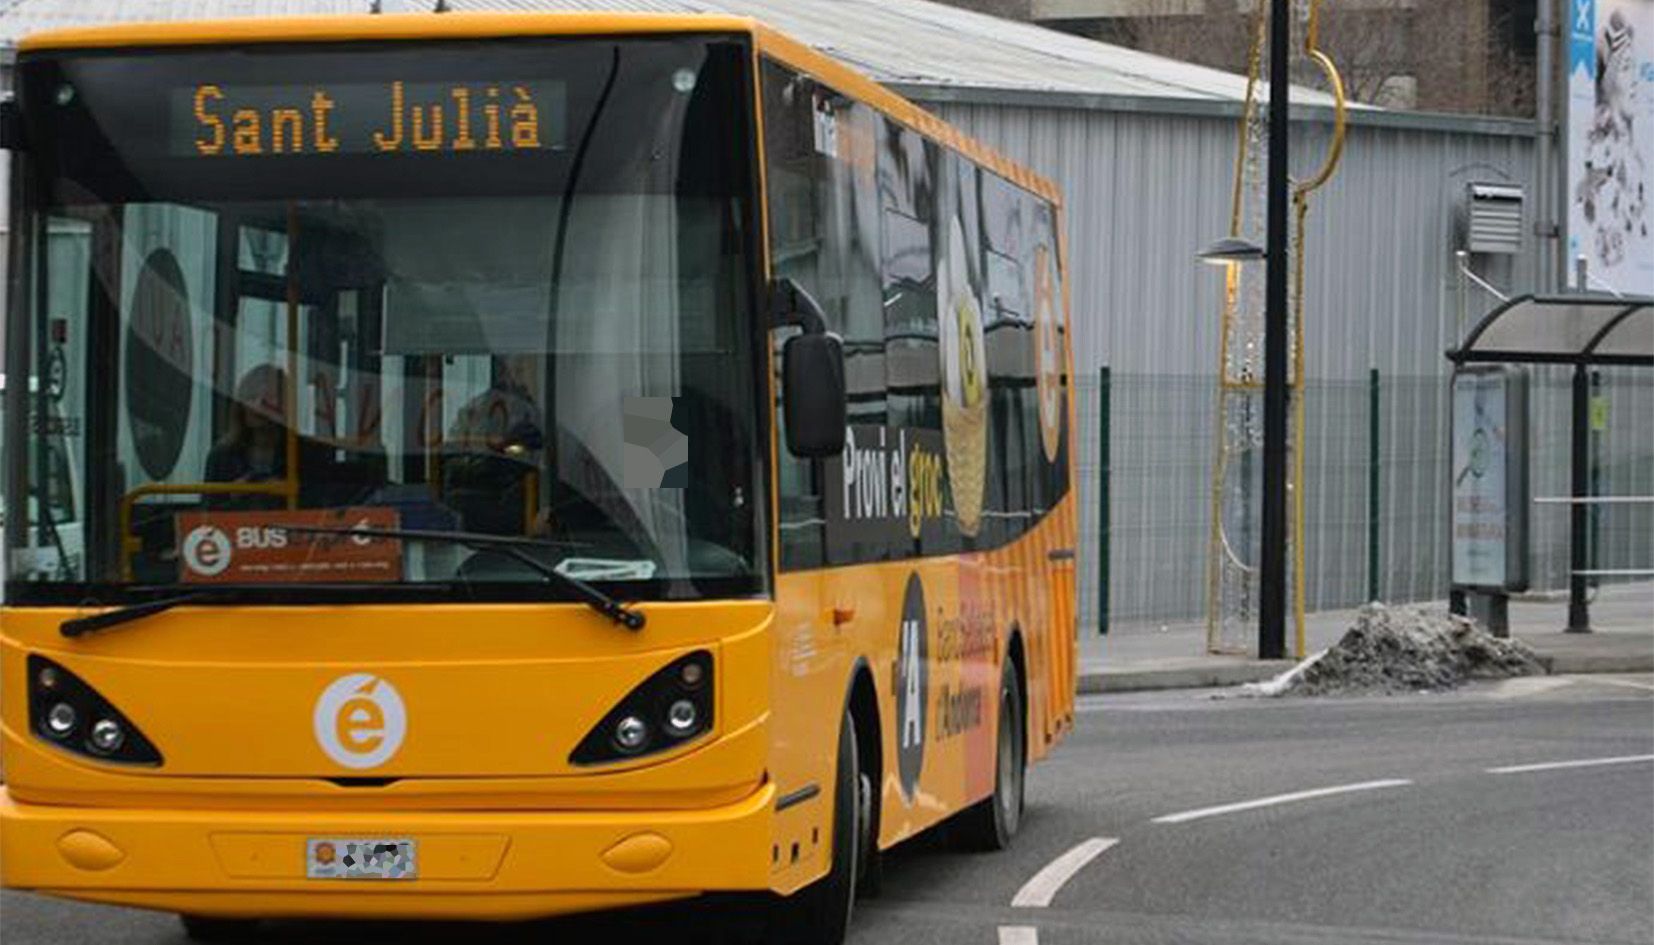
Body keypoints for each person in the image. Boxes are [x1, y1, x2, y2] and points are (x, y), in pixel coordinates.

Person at [206, 364, 292, 488]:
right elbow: (210, 505)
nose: (258, 406)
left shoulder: (306, 455)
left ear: (285, 404)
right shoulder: (221, 456)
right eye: (251, 396)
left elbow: (322, 500)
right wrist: (234, 496)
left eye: (268, 398)